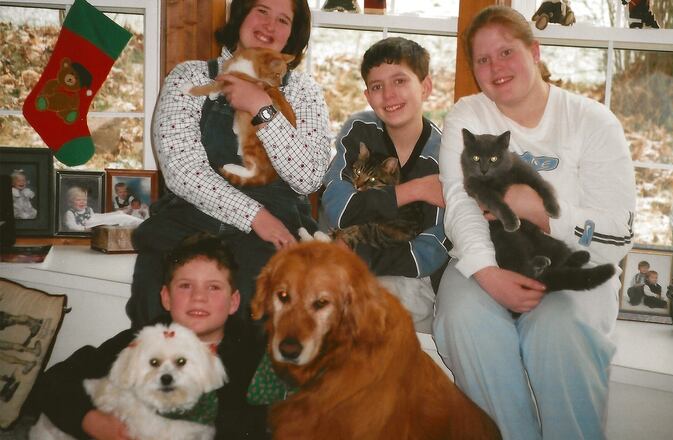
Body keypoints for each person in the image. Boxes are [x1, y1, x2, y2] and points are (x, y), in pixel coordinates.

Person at [434, 6, 636, 440]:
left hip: (571, 263)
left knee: (559, 330)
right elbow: (460, 202)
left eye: (506, 52)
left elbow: (617, 234)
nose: (495, 67)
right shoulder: (468, 116)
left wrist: (542, 210)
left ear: (536, 51)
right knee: (461, 316)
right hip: (488, 257)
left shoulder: (592, 121)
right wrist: (487, 274)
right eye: (483, 60)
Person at [128, 0, 333, 327]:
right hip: (189, 220)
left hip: (277, 231)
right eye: (261, 11)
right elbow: (182, 170)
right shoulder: (190, 76)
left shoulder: (304, 91)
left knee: (260, 317)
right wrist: (254, 216)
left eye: (283, 19)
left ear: (292, 34)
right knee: (156, 310)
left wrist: (261, 106)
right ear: (241, 15)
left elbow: (308, 177)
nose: (269, 25)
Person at [31, 234, 273, 439]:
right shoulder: (140, 340)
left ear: (234, 302)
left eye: (213, 287)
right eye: (186, 286)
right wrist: (91, 420)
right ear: (166, 298)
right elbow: (54, 380)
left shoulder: (255, 353)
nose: (199, 297)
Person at [321, 37, 448, 323]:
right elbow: (339, 209)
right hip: (339, 261)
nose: (389, 95)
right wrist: (413, 190)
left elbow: (427, 253)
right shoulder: (360, 131)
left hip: (409, 279)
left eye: (400, 81)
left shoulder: (443, 154)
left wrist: (356, 253)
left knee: (369, 311)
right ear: (368, 96)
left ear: (425, 87)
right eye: (377, 86)